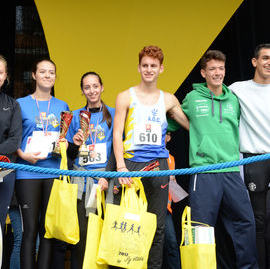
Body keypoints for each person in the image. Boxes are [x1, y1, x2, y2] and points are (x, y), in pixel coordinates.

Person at [113, 45, 189, 268]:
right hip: (130, 164)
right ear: (138, 67)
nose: (148, 69)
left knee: (157, 226)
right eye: (145, 65)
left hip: (159, 165)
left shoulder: (169, 100)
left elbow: (192, 127)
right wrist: (120, 166)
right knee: (128, 223)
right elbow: (117, 133)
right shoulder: (125, 96)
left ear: (161, 68)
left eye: (153, 66)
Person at [181, 50, 258, 268]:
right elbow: (174, 121)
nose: (218, 73)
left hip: (232, 171)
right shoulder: (192, 98)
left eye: (221, 69)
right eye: (212, 69)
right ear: (203, 73)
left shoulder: (234, 99)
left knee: (245, 222)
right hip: (204, 172)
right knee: (201, 228)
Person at [51, 71, 115, 269]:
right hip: (84, 183)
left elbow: (118, 148)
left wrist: (110, 177)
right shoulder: (76, 116)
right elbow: (67, 155)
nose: (92, 90)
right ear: (82, 91)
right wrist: (76, 144)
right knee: (83, 234)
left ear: (102, 87)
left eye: (95, 86)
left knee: (108, 232)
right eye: (87, 87)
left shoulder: (114, 113)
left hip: (107, 180)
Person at [15, 58, 69, 269]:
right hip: (27, 173)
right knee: (29, 229)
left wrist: (67, 142)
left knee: (48, 229)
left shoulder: (62, 105)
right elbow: (13, 139)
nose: (48, 75)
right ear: (34, 75)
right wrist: (22, 154)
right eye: (43, 72)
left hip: (54, 172)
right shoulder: (21, 104)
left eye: (52, 72)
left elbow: (66, 139)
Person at [229, 43, 270, 269]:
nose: (269, 62)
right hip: (254, 160)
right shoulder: (238, 89)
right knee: (258, 222)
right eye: (264, 58)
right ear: (255, 62)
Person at [0, 54, 22, 264]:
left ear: (5, 76)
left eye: (0, 72)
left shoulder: (12, 105)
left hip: (4, 171)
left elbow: (15, 140)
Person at [162, 131, 181, 269]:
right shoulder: (147, 155)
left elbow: (173, 183)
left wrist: (179, 198)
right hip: (150, 206)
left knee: (172, 244)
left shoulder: (171, 158)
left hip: (166, 209)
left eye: (166, 134)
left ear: (169, 138)